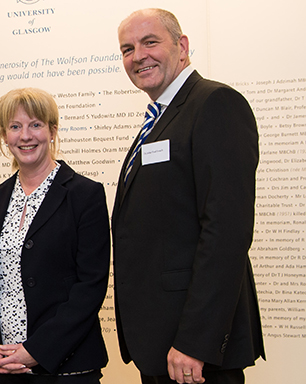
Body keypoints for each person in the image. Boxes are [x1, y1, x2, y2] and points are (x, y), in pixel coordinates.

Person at [112, 8, 265, 384]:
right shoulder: (162, 118)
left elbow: (226, 233)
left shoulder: (215, 104)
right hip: (163, 342)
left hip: (193, 352)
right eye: (127, 49)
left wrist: (196, 341)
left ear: (181, 46)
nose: (138, 56)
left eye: (150, 42)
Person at [0, 88, 110, 383]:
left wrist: (37, 350)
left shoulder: (85, 195)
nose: (25, 136)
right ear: (5, 136)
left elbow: (91, 286)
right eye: (15, 127)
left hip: (66, 367)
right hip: (4, 365)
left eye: (35, 125)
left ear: (52, 130)